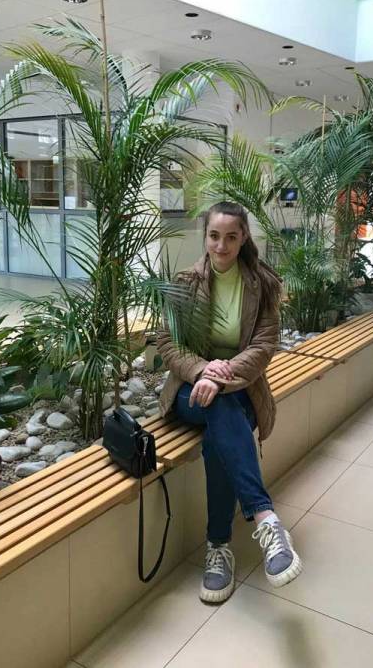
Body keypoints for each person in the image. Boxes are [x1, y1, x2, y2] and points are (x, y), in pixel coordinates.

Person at [157, 201, 303, 603]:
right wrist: (203, 371)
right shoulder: (185, 283)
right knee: (217, 406)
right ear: (205, 236)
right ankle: (265, 518)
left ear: (243, 239)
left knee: (217, 432)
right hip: (189, 390)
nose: (221, 246)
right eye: (214, 236)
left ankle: (218, 548)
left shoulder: (262, 284)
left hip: (239, 390)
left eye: (231, 237)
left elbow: (264, 346)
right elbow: (167, 342)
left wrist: (220, 377)